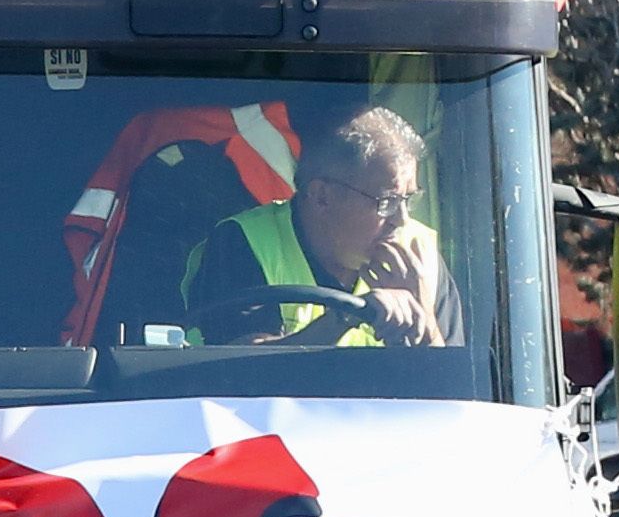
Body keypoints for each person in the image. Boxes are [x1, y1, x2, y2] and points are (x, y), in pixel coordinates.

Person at [190, 102, 458, 346]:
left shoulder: (421, 256)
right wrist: (348, 315)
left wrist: (425, 322)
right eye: (386, 201)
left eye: (408, 199)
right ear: (321, 196)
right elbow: (240, 375)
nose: (402, 220)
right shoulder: (244, 241)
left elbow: (455, 392)